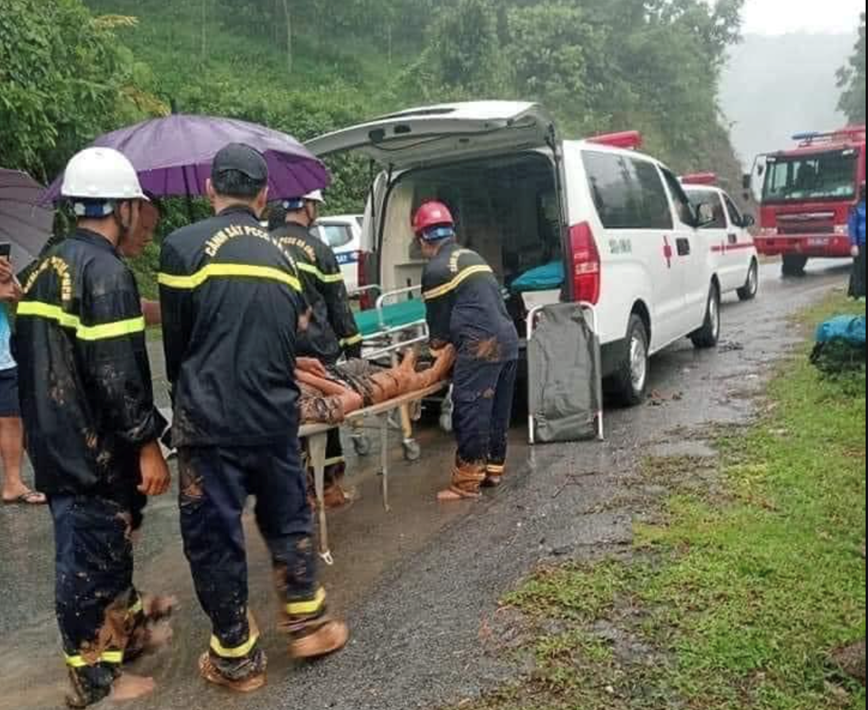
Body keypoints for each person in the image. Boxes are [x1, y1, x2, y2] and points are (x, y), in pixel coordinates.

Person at [159, 144, 348, 693]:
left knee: (215, 537)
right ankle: (309, 622)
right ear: (265, 195)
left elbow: (177, 343)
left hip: (211, 421)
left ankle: (237, 659)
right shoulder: (284, 259)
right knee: (289, 519)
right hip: (273, 417)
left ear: (210, 189)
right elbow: (290, 335)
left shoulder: (183, 247)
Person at [15, 147, 174, 708]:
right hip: (94, 451)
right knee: (86, 567)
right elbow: (118, 377)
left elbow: (28, 354)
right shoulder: (105, 273)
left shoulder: (42, 269)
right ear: (123, 207)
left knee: (104, 552)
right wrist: (148, 445)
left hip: (57, 444)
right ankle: (92, 680)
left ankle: (118, 647)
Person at [414, 201, 520, 502]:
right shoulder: (471, 256)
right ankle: (493, 469)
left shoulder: (434, 269)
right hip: (508, 338)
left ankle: (465, 483)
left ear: (422, 238)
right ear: (450, 231)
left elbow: (437, 329)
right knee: (498, 409)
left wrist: (435, 358)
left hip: (481, 346)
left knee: (470, 407)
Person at [270, 192, 363, 509]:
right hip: (318, 352)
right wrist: (354, 347)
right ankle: (329, 489)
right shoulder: (319, 250)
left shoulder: (265, 245)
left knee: (294, 419)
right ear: (308, 207)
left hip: (280, 352)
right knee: (327, 419)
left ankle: (299, 493)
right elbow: (338, 304)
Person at [0, 258, 45, 505]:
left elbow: (23, 300)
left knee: (13, 417)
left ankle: (13, 483)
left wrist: (10, 284)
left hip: (3, 354)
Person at [849, 181, 866, 300]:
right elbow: (852, 226)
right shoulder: (856, 207)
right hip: (861, 241)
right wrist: (854, 244)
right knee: (859, 267)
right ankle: (857, 293)